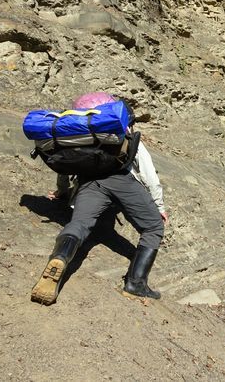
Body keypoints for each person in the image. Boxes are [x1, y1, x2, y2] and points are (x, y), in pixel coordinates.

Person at [30, 92, 168, 305]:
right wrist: (158, 205)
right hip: (120, 180)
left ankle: (60, 258)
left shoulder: (75, 133)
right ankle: (135, 285)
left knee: (80, 224)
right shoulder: (119, 130)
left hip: (88, 182)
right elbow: (148, 173)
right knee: (153, 227)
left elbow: (66, 163)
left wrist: (64, 191)